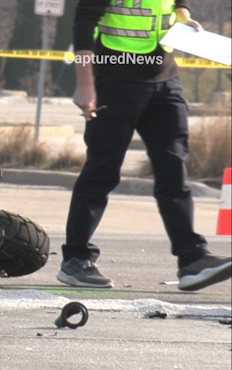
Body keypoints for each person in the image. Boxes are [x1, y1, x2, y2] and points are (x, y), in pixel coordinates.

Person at [59, 0, 231, 291]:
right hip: (114, 78)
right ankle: (76, 260)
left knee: (173, 168)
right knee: (103, 170)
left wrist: (183, 17)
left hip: (165, 78)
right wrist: (85, 84)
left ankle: (192, 259)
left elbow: (177, 2)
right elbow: (84, 21)